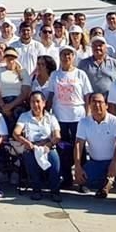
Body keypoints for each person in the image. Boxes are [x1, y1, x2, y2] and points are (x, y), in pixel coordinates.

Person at [45, 46, 93, 188]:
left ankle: (82, 181)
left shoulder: (80, 74)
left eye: (69, 54)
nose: (66, 57)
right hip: (60, 117)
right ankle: (66, 179)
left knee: (80, 149)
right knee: (63, 149)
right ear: (60, 56)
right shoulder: (55, 75)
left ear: (73, 57)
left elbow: (87, 95)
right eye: (64, 54)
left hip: (78, 117)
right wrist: (47, 113)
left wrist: (87, 114)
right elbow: (51, 95)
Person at [74, 93, 116, 207]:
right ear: (89, 105)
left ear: (106, 105)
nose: (97, 105)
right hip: (96, 162)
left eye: (100, 102)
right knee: (82, 180)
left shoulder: (115, 121)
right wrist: (77, 166)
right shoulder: (84, 122)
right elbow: (78, 144)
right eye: (94, 102)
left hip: (115, 160)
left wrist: (114, 163)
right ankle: (106, 184)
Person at [13, 91, 62, 202]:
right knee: (30, 158)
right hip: (31, 147)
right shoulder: (24, 116)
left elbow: (57, 136)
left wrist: (49, 145)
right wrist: (26, 143)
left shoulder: (51, 118)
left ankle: (55, 191)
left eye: (38, 101)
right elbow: (16, 133)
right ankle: (36, 190)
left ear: (44, 103)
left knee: (55, 162)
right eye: (32, 102)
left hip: (47, 146)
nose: (35, 105)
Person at [0, 47, 30, 125]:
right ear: (5, 58)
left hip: (18, 102)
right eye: (8, 57)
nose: (10, 59)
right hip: (3, 102)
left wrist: (10, 106)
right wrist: (3, 106)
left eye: (13, 57)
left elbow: (24, 93)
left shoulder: (23, 72)